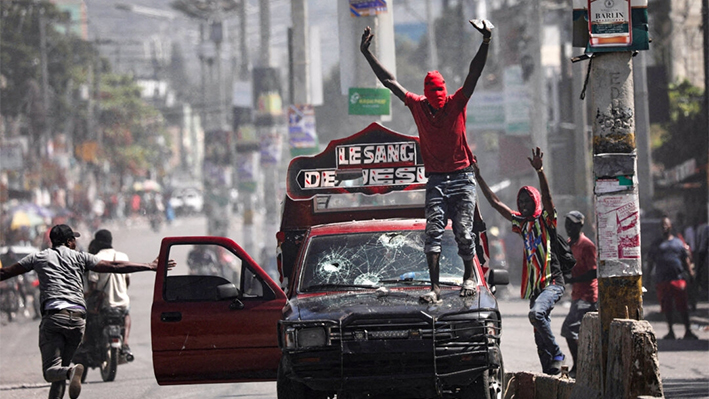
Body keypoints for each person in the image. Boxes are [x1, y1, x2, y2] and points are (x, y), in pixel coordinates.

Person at [360, 18, 492, 304]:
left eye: (440, 99)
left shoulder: (456, 102)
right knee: (432, 232)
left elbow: (474, 73)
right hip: (435, 179)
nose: (437, 104)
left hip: (462, 177)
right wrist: (367, 53)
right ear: (427, 97)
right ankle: (434, 288)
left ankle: (469, 276)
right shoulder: (418, 105)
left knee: (463, 232)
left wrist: (486, 41)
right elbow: (389, 82)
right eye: (433, 100)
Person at [0, 224, 174, 399]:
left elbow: (6, 272)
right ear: (68, 242)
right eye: (73, 239)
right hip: (77, 319)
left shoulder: (38, 257)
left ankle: (71, 371)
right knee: (61, 371)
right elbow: (113, 266)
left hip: (54, 318)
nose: (75, 242)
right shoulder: (80, 257)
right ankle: (70, 371)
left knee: (50, 371)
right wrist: (149, 265)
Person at [472, 148, 567, 375]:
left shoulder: (546, 220)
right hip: (536, 288)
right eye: (521, 201)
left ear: (535, 201)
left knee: (536, 315)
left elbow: (548, 198)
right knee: (538, 333)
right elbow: (495, 203)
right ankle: (551, 372)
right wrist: (478, 177)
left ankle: (558, 353)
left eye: (527, 201)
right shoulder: (522, 224)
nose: (524, 204)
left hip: (552, 283)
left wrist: (540, 171)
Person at [559, 211, 598, 378]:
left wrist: (573, 279)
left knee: (569, 330)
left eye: (572, 224)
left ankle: (580, 365)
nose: (568, 227)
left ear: (580, 225)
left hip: (587, 296)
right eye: (567, 223)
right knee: (576, 332)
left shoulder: (587, 246)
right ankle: (584, 365)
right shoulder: (569, 244)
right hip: (576, 295)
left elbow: (593, 273)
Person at [647, 216, 698, 340]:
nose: (664, 227)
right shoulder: (656, 244)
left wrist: (690, 274)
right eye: (662, 225)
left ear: (670, 226)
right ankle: (670, 331)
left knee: (683, 306)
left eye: (666, 224)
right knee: (667, 307)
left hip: (678, 279)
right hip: (662, 280)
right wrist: (647, 277)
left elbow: (685, 259)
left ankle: (688, 330)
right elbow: (650, 261)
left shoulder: (678, 242)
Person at [85, 229, 133, 358]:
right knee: (127, 314)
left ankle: (89, 345)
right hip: (122, 302)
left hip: (104, 304)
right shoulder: (123, 256)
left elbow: (92, 285)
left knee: (87, 318)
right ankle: (126, 343)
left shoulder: (95, 258)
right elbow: (127, 281)